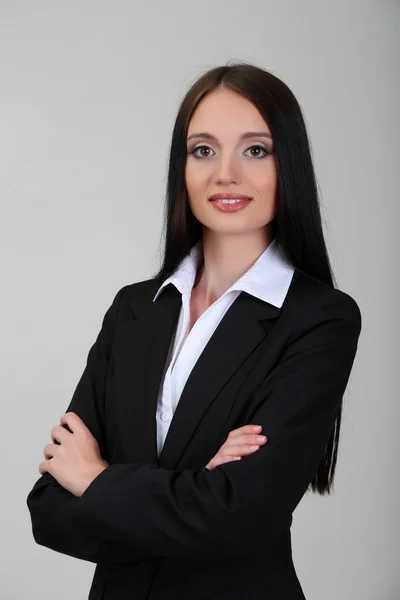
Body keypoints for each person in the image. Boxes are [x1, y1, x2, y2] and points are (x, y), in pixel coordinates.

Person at [26, 61, 362, 600]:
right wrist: (194, 496)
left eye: (256, 150)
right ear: (181, 167)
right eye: (203, 150)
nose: (225, 173)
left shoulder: (321, 319)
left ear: (288, 164)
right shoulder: (134, 309)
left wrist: (95, 479)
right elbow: (49, 510)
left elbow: (240, 515)